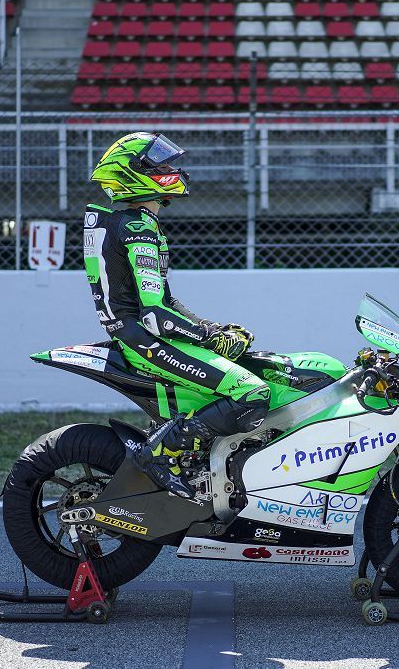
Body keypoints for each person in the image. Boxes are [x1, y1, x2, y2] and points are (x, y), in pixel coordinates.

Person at [82, 132, 270, 498]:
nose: (171, 170)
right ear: (134, 174)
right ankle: (161, 455)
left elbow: (163, 300)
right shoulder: (137, 226)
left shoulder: (125, 221)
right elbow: (157, 315)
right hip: (144, 337)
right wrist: (210, 337)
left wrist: (209, 327)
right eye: (161, 165)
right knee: (252, 391)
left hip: (134, 333)